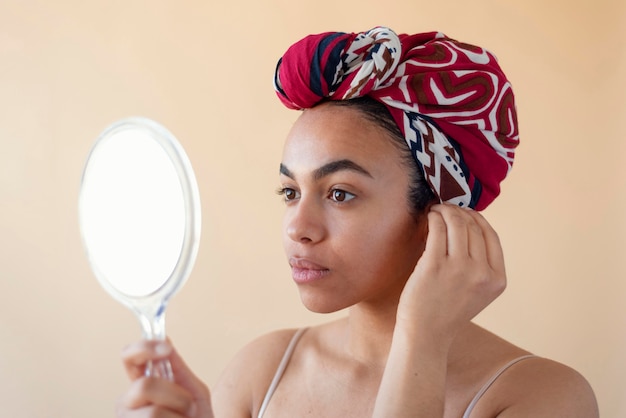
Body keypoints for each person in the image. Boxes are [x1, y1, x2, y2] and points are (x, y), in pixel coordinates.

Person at [116, 27, 599, 417]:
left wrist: (422, 342)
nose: (297, 227)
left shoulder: (542, 397)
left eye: (340, 193)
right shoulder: (262, 372)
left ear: (438, 212)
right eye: (290, 192)